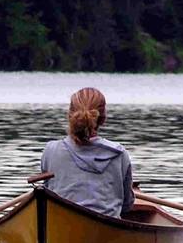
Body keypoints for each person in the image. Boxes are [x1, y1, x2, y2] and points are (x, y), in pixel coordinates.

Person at [40, 87, 134, 218]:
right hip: (107, 228)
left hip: (60, 224)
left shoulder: (50, 150)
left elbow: (47, 193)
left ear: (70, 115)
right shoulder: (119, 154)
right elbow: (127, 205)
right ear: (103, 118)